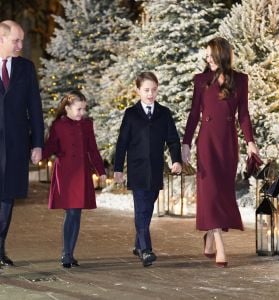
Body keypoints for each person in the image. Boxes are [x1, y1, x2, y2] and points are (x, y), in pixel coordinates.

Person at [182, 37, 259, 267]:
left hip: (228, 143)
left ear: (222, 55)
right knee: (211, 192)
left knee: (222, 193)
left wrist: (250, 142)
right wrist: (186, 143)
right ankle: (220, 247)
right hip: (206, 143)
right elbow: (194, 114)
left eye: (211, 55)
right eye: (206, 55)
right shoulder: (200, 80)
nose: (207, 58)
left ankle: (210, 236)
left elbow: (243, 115)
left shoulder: (241, 80)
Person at [114, 71, 182, 267]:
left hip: (155, 170)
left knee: (147, 209)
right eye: (146, 90)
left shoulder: (164, 113)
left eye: (153, 90)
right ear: (138, 91)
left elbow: (173, 140)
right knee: (141, 209)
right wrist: (118, 168)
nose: (150, 94)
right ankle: (145, 250)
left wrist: (176, 160)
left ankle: (138, 244)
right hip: (137, 169)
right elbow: (122, 143)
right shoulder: (131, 114)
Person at [42, 90, 106, 268]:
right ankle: (67, 254)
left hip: (82, 172)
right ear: (68, 108)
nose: (82, 113)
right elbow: (51, 146)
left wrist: (100, 170)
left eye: (84, 109)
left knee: (76, 213)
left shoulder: (86, 125)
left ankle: (69, 253)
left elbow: (92, 149)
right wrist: (38, 153)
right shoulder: (58, 125)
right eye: (79, 109)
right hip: (66, 174)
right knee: (71, 212)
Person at [0, 20, 44, 267]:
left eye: (22, 40)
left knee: (7, 199)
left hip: (16, 146)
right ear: (1, 40)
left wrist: (37, 143)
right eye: (16, 40)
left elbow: (35, 109)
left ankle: (0, 248)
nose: (21, 45)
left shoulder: (26, 68)